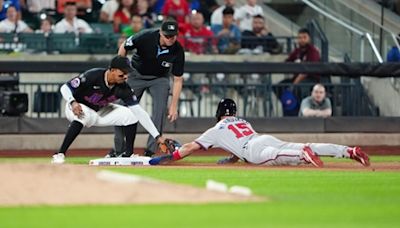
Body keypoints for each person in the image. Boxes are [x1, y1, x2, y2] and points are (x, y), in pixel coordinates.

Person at [149, 98, 370, 168]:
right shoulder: (242, 120)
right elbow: (236, 141)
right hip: (261, 138)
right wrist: (231, 158)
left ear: (218, 114)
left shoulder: (215, 129)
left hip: (253, 150)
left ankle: (304, 155)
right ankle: (348, 150)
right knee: (302, 144)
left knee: (281, 156)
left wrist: (166, 158)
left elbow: (188, 148)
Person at [52, 55, 166, 164]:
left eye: (127, 73)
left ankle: (128, 154)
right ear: (112, 70)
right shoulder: (93, 75)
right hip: (77, 108)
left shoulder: (124, 87)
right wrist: (72, 102)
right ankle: (60, 154)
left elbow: (140, 113)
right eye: (123, 72)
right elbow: (65, 87)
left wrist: (157, 136)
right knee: (84, 115)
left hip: (100, 111)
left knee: (131, 115)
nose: (126, 76)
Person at [109, 19, 185, 158]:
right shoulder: (145, 36)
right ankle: (118, 149)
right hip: (136, 74)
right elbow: (124, 47)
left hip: (160, 79)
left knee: (160, 110)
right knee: (121, 108)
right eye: (167, 36)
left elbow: (178, 79)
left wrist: (174, 105)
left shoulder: (178, 50)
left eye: (172, 36)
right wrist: (121, 72)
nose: (170, 39)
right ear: (160, 33)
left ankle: (150, 151)